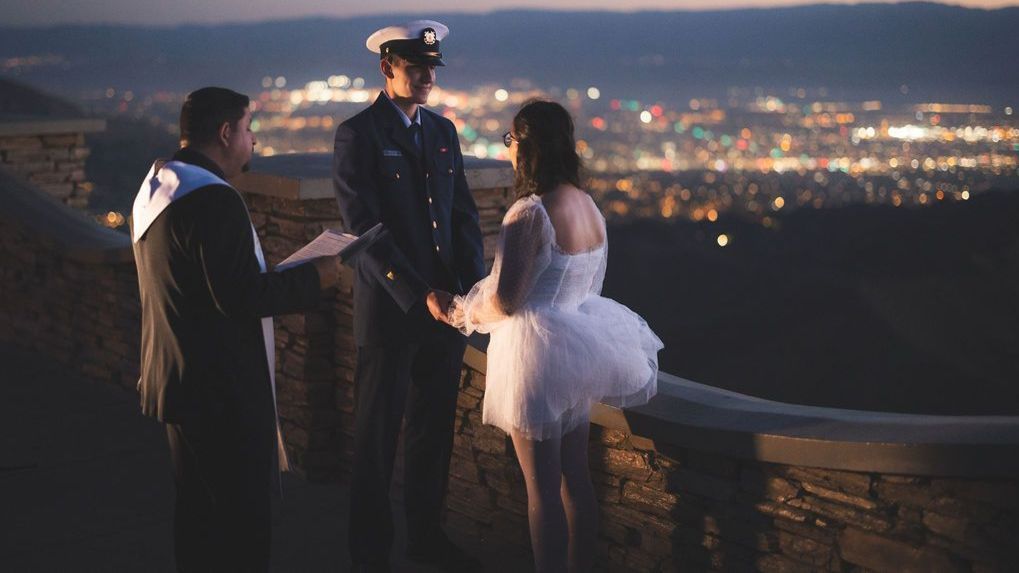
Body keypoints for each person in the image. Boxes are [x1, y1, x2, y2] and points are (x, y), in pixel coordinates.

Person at [445, 100, 663, 572]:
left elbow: (507, 300)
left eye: (512, 140)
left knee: (540, 490)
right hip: (575, 352)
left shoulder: (530, 213)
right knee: (576, 480)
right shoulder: (589, 208)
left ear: (529, 145)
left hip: (536, 359)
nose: (509, 149)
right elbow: (591, 285)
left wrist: (460, 311)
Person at [131, 86, 342, 571]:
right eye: (248, 130)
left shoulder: (160, 187)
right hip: (219, 392)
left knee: (198, 521)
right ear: (225, 132)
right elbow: (240, 297)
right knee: (241, 528)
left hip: (177, 381)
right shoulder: (213, 201)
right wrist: (317, 277)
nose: (253, 142)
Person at [331, 20, 486, 572]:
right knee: (376, 443)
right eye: (415, 67)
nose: (426, 76)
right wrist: (419, 294)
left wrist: (474, 291)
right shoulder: (359, 134)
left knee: (431, 437)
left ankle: (426, 541)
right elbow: (363, 231)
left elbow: (462, 217)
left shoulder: (443, 131)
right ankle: (369, 556)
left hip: (446, 314)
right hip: (392, 312)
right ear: (387, 68)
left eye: (431, 68)